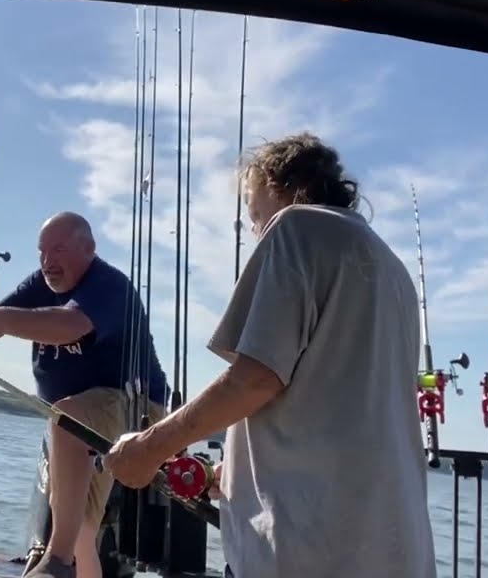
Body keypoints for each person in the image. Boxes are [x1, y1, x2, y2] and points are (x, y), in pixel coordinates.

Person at [103, 132, 437, 578]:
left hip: (308, 549)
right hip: (395, 549)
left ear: (277, 185)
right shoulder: (393, 271)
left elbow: (255, 380)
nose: (252, 226)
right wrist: (238, 471)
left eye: (251, 209)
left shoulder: (296, 226)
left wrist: (149, 447)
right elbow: (336, 402)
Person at [0, 211, 170, 578]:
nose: (48, 261)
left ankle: (56, 564)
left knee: (67, 418)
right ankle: (71, 561)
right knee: (80, 524)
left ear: (89, 248)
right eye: (42, 252)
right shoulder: (43, 282)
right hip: (75, 418)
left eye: (59, 250)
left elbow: (69, 326)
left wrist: (3, 320)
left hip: (136, 405)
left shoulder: (108, 284)